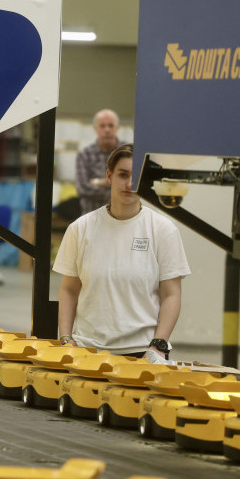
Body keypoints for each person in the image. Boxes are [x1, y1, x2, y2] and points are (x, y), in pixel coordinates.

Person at [54, 144, 189, 359]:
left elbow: (171, 295)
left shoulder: (163, 230)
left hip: (143, 351)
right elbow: (69, 290)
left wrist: (158, 346)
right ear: (110, 176)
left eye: (136, 177)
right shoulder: (80, 229)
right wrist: (66, 338)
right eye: (123, 175)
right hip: (87, 350)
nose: (129, 184)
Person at [75, 108, 125, 215]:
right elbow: (83, 189)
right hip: (92, 217)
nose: (107, 130)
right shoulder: (84, 155)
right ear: (95, 128)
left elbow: (134, 185)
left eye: (111, 125)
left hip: (122, 217)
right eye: (102, 126)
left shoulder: (128, 153)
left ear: (117, 128)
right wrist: (119, 191)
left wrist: (99, 182)